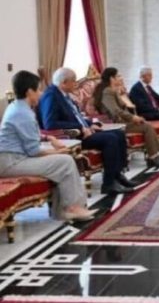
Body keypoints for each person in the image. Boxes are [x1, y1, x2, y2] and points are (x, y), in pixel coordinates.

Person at [0, 70, 95, 221]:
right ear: (29, 92)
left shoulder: (17, 107)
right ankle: (72, 208)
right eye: (38, 90)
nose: (41, 93)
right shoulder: (23, 114)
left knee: (62, 160)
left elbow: (30, 135)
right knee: (65, 161)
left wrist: (49, 138)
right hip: (11, 163)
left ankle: (63, 210)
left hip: (14, 158)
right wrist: (59, 152)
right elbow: (34, 151)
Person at [39, 68, 138, 195]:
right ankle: (108, 184)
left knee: (118, 134)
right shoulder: (51, 96)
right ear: (64, 82)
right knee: (111, 139)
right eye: (73, 81)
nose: (75, 84)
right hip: (72, 136)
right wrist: (80, 128)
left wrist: (91, 124)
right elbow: (50, 124)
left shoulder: (63, 94)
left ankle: (117, 175)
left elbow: (76, 116)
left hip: (83, 131)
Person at [93, 67, 159, 168]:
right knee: (147, 127)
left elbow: (124, 108)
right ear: (111, 78)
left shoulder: (112, 90)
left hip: (123, 120)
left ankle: (154, 156)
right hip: (117, 124)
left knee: (146, 125)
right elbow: (115, 111)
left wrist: (134, 117)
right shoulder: (107, 91)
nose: (120, 78)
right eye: (117, 76)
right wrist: (133, 118)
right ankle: (153, 157)